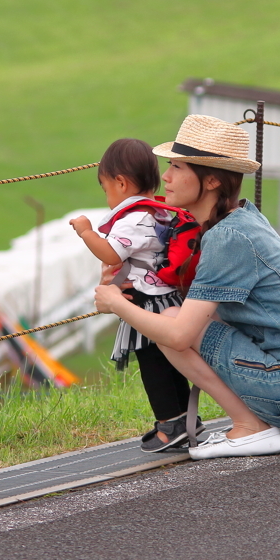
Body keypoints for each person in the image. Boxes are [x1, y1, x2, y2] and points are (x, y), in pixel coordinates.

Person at [93, 115, 280, 459]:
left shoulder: (228, 238)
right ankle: (255, 422)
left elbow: (182, 336)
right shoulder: (234, 222)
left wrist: (117, 303)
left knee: (170, 324)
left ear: (210, 180)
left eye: (178, 167)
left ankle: (251, 427)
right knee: (170, 314)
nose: (165, 177)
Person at [69, 138, 201, 452]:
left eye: (105, 189)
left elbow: (112, 254)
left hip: (150, 304)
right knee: (169, 363)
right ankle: (185, 421)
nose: (107, 197)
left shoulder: (134, 219)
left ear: (121, 182)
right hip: (165, 298)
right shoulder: (158, 212)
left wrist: (87, 231)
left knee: (155, 366)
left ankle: (171, 425)